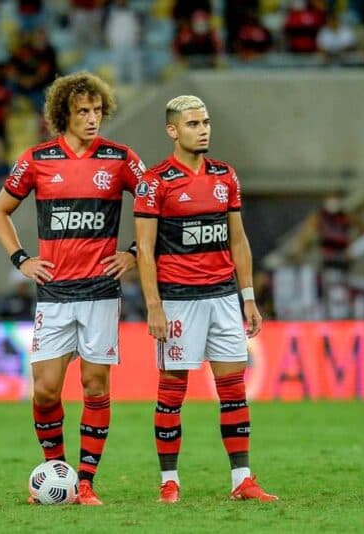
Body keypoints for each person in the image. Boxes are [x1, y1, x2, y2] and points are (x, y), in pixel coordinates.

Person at [0, 71, 146, 505]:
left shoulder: (120, 158)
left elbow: (156, 203)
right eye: (82, 111)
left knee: (95, 386)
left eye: (97, 110)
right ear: (64, 115)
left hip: (100, 292)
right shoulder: (37, 160)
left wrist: (133, 252)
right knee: (45, 389)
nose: (92, 118)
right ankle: (56, 471)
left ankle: (86, 483)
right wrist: (21, 259)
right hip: (55, 293)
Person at [133, 95, 277, 504]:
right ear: (172, 130)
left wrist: (248, 297)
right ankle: (169, 481)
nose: (203, 130)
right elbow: (145, 249)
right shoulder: (155, 182)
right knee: (171, 391)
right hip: (179, 301)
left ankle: (242, 480)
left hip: (223, 298)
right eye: (193, 124)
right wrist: (154, 305)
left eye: (206, 122)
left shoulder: (225, 176)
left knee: (233, 389)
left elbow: (238, 240)